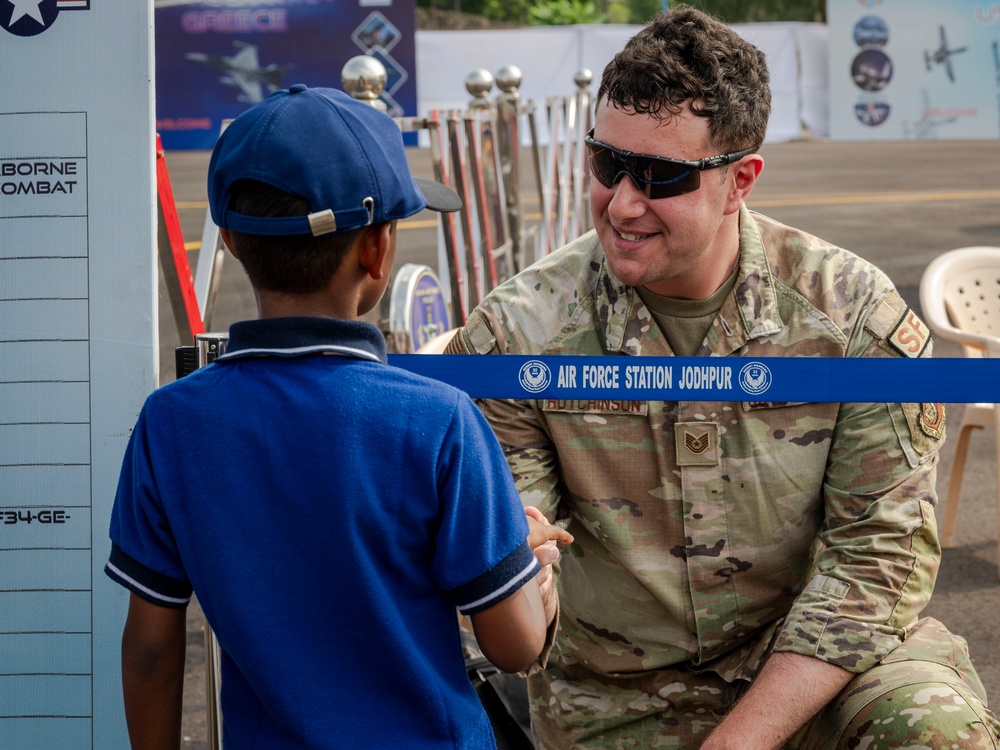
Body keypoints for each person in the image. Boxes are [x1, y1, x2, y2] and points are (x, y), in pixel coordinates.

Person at [444, 6, 1000, 749]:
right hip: (618, 691)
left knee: (932, 733)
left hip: (819, 667)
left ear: (741, 181)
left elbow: (876, 560)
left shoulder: (852, 318)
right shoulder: (517, 335)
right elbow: (519, 561)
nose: (623, 203)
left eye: (662, 177)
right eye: (608, 165)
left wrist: (739, 740)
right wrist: (515, 559)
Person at [104, 84, 572, 749]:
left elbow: (150, 649)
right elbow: (515, 645)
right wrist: (535, 569)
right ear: (378, 253)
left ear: (232, 240)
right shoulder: (439, 421)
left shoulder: (170, 422)